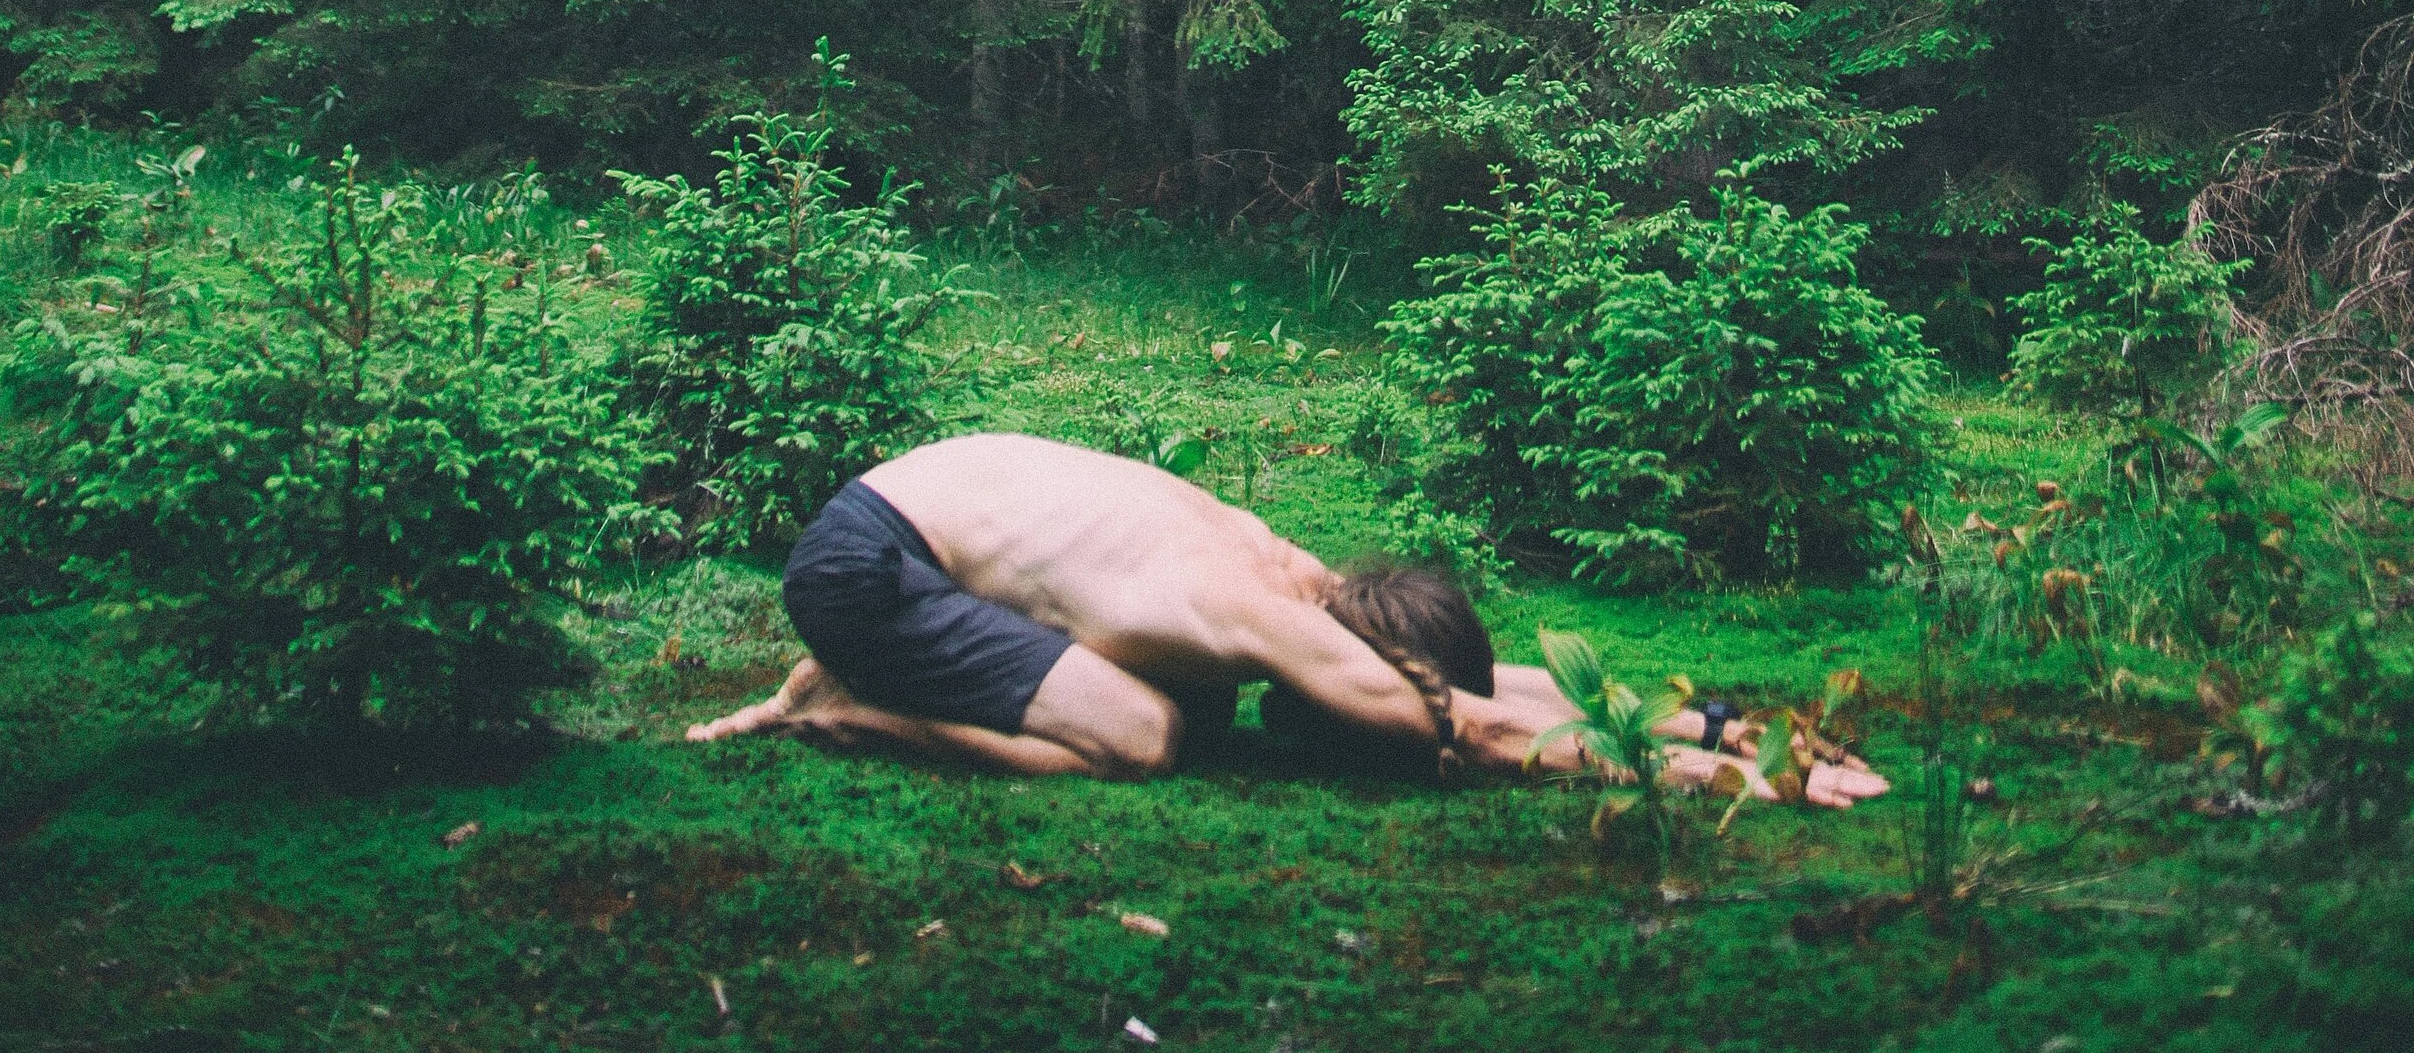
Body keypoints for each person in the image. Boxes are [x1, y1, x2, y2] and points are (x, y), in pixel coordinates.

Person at [684, 433, 1885, 805]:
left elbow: (1476, 684)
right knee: (1146, 735)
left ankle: (862, 678)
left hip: (917, 528)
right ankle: (847, 705)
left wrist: (1721, 719)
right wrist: (1743, 781)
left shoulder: (1299, 577)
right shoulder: (1252, 604)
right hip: (866, 569)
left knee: (1187, 711)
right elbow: (1467, 729)